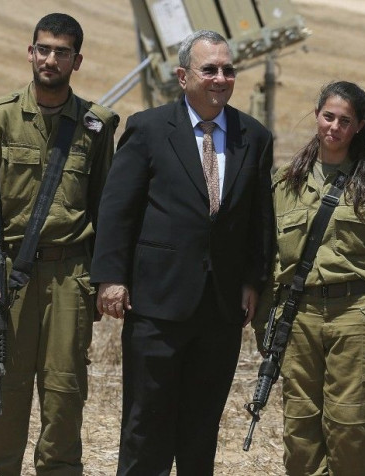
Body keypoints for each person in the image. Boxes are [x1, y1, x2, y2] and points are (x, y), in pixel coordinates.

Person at [89, 29, 273, 474]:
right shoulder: (149, 129)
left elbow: (258, 220)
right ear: (182, 76)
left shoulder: (255, 136)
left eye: (228, 69)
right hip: (156, 305)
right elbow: (118, 210)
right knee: (146, 425)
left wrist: (251, 280)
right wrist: (111, 278)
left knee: (200, 427)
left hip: (221, 309)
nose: (221, 77)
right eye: (209, 69)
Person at [0, 13, 118, 475]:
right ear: (30, 52)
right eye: (43, 49)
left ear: (77, 60)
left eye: (61, 52)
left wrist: (104, 280)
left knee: (65, 393)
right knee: (6, 392)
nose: (50, 59)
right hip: (12, 276)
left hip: (71, 275)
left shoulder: (96, 126)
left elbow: (106, 210)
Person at [254, 80, 365, 475]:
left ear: (359, 125)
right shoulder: (286, 183)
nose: (334, 127)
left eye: (345, 120)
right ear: (317, 116)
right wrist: (265, 324)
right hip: (299, 318)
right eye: (328, 116)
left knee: (351, 426)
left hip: (356, 317)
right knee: (300, 429)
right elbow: (270, 259)